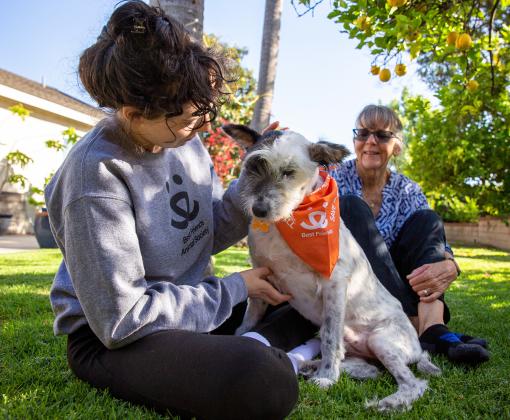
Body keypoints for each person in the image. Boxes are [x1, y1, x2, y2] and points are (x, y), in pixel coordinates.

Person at [45, 2, 319, 419]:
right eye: (190, 120)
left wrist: (261, 171)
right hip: (117, 338)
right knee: (263, 380)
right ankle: (261, 351)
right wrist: (236, 289)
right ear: (136, 114)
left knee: (310, 302)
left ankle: (258, 344)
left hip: (193, 311)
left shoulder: (184, 143)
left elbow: (207, 232)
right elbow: (124, 320)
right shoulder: (94, 177)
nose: (201, 129)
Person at [330, 104, 490, 365]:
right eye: (362, 133)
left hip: (400, 283)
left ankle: (431, 327)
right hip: (353, 287)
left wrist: (450, 263)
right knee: (350, 207)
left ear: (397, 145)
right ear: (354, 140)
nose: (370, 141)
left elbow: (432, 236)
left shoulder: (407, 190)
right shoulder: (333, 178)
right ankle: (425, 329)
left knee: (427, 218)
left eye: (382, 135)